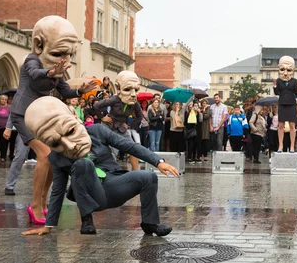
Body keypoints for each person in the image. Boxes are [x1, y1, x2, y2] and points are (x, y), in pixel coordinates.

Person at [21, 97, 179, 236]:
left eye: (70, 131)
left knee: (148, 176)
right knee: (83, 163)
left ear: (75, 117)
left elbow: (129, 146)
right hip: (92, 196)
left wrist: (158, 161)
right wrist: (49, 225)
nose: (69, 145)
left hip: (115, 184)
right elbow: (57, 191)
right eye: (55, 143)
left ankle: (150, 223)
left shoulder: (97, 131)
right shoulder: (56, 157)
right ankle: (87, 220)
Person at [10, 16, 97, 224]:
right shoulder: (33, 59)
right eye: (59, 53)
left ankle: (42, 201)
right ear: (39, 44)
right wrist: (52, 72)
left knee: (52, 159)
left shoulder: (58, 69)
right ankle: (36, 204)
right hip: (23, 114)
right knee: (46, 155)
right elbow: (35, 74)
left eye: (69, 54)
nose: (64, 59)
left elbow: (65, 91)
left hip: (42, 118)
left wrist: (80, 90)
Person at [93, 71, 144, 170]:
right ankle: (104, 172)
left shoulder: (134, 102)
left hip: (121, 128)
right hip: (109, 126)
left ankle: (136, 172)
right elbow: (96, 106)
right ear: (118, 88)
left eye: (136, 90)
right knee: (107, 151)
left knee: (133, 148)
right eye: (128, 89)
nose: (133, 94)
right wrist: (102, 117)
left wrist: (129, 126)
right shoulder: (115, 99)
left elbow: (139, 117)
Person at [274, 56, 297, 153]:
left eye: (289, 70)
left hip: (291, 104)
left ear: (292, 70)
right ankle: (280, 146)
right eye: (282, 69)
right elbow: (277, 92)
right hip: (282, 104)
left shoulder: (294, 81)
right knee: (280, 125)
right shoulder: (278, 80)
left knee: (292, 126)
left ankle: (292, 146)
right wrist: (274, 85)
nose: (285, 73)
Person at [0, 94, 11, 162]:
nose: (4, 101)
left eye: (5, 100)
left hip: (5, 127)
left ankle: (3, 157)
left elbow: (11, 117)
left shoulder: (9, 107)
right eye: (2, 99)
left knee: (4, 143)